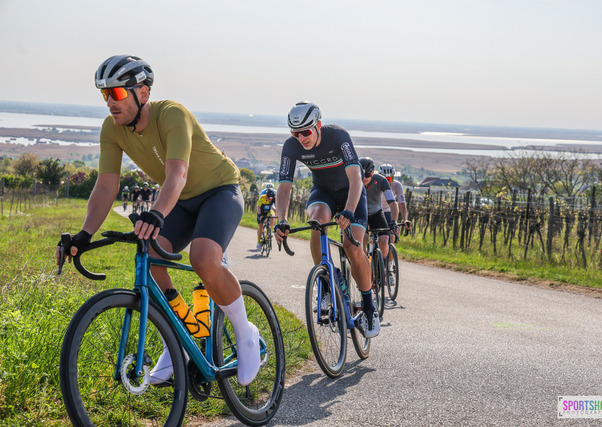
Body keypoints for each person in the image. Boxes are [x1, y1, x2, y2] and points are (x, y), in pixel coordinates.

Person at [56, 54, 260, 386]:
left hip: (219, 190)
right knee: (151, 261)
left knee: (203, 259)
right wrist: (84, 234)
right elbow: (106, 185)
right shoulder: (112, 129)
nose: (110, 102)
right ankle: (176, 337)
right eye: (105, 94)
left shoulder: (172, 114)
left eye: (117, 93)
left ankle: (245, 333)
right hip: (182, 200)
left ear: (143, 93)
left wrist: (157, 213)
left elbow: (177, 173)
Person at [274, 101, 380, 337]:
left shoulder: (338, 137)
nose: (301, 138)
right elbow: (284, 186)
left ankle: (369, 307)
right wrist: (282, 219)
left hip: (351, 193)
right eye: (295, 133)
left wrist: (349, 211)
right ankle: (325, 282)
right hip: (323, 192)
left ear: (318, 125)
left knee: (352, 246)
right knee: (317, 220)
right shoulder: (291, 146)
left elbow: (355, 178)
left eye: (306, 132)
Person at [359, 157, 399, 261]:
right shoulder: (355, 180)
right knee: (363, 239)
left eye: (367, 175)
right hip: (361, 213)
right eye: (362, 175)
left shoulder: (381, 180)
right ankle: (364, 263)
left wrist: (394, 221)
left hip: (376, 213)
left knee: (384, 240)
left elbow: (393, 203)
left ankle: (383, 263)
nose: (364, 178)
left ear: (373, 172)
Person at [379, 163, 412, 239]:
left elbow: (402, 204)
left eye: (390, 178)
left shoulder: (397, 185)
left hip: (389, 211)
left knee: (392, 236)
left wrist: (405, 219)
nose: (388, 181)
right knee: (374, 234)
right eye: (385, 179)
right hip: (376, 210)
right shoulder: (375, 184)